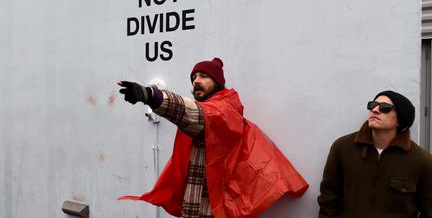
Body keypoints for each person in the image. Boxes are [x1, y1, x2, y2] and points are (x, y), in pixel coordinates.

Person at [117, 58, 308, 218]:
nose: (196, 81)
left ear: (218, 82)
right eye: (193, 77)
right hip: (193, 204)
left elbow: (196, 114)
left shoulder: (225, 111)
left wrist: (151, 95)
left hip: (215, 208)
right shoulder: (209, 109)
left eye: (203, 76)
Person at [318, 90, 432, 218]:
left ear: (400, 119)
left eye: (385, 108)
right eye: (373, 105)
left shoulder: (421, 161)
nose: (375, 110)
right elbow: (328, 198)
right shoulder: (343, 148)